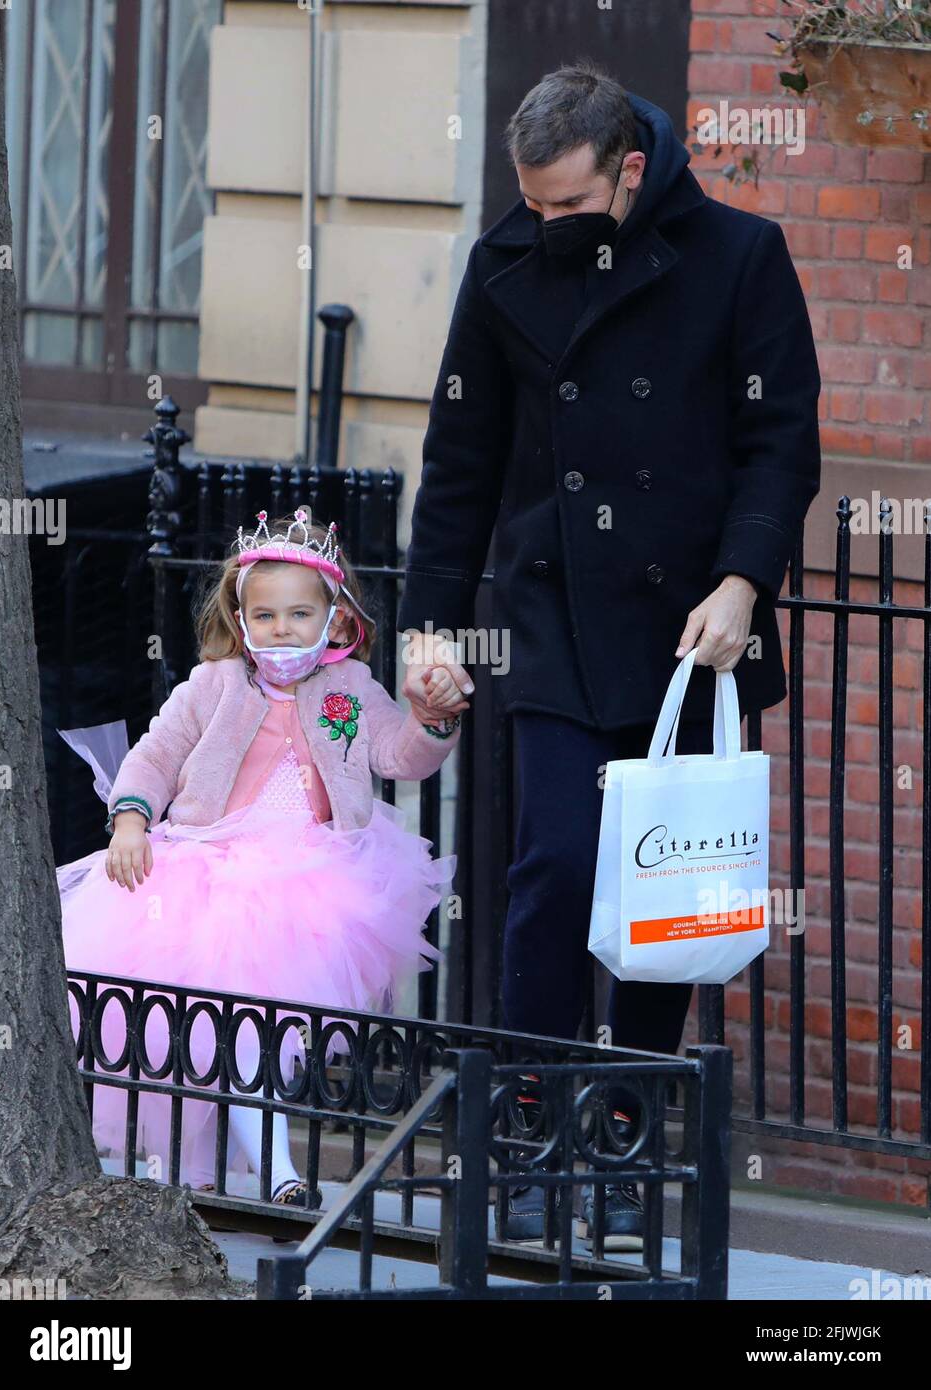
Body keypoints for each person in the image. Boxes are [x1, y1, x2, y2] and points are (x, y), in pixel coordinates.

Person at [398, 62, 821, 1246]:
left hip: (694, 628)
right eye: (529, 207)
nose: (545, 230)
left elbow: (780, 442)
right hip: (551, 615)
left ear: (631, 172)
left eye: (568, 208)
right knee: (551, 871)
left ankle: (623, 1136)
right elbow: (461, 460)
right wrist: (431, 627)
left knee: (664, 899)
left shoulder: (741, 255)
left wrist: (743, 582)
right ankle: (528, 1135)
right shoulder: (503, 269)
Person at [57, 507, 463, 1207]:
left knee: (257, 1031)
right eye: (266, 615)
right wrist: (130, 820)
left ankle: (230, 1171)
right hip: (206, 869)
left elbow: (399, 757)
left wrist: (433, 719)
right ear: (241, 621)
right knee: (212, 1026)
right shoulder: (213, 685)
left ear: (335, 621)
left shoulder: (349, 691)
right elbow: (155, 756)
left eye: (299, 614)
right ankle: (256, 1171)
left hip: (309, 879)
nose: (282, 630)